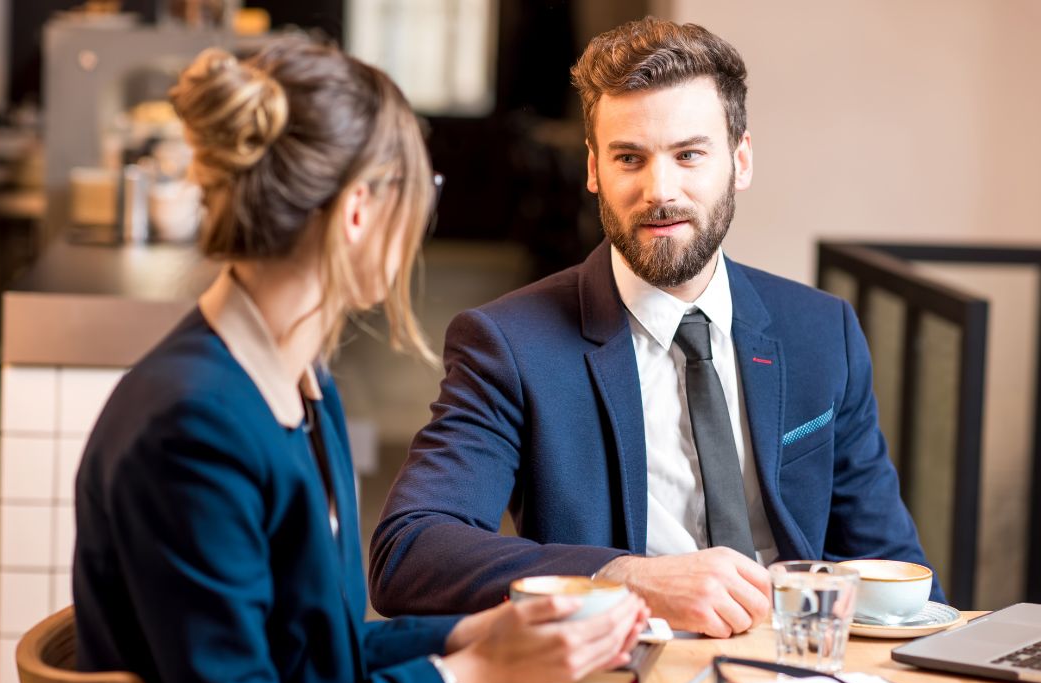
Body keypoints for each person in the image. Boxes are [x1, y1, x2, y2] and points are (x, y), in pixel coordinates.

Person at [72, 38, 646, 683]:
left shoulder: (300, 383)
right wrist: (476, 678)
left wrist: (481, 631)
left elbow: (319, 657)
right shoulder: (191, 427)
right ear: (356, 211)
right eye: (419, 194)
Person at [369, 17, 943, 638]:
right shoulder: (509, 344)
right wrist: (625, 576)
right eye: (629, 158)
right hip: (624, 673)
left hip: (803, 674)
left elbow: (897, 569)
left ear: (740, 159)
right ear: (594, 170)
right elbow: (410, 552)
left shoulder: (821, 331)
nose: (659, 190)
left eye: (689, 154)